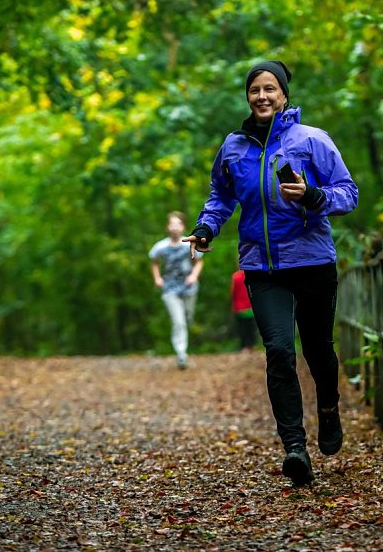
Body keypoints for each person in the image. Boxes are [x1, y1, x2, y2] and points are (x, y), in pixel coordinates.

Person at [184, 60, 358, 485]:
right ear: (248, 97)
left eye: (270, 89)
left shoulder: (312, 140)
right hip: (261, 266)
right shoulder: (233, 147)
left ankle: (329, 408)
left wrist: (313, 194)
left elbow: (347, 194)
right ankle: (294, 446)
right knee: (279, 351)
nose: (262, 96)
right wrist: (206, 227)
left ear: (284, 95)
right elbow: (221, 196)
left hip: (312, 259)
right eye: (255, 90)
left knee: (318, 349)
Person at [149, 211, 204, 369]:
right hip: (170, 289)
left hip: (189, 287)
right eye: (172, 224)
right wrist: (157, 278)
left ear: (183, 227)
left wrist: (194, 275)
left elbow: (199, 262)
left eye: (178, 224)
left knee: (187, 318)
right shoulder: (161, 246)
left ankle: (183, 346)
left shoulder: (188, 243)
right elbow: (154, 261)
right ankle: (181, 354)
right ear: (167, 227)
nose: (174, 227)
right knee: (178, 321)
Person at [231, 267, 257, 352]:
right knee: (251, 328)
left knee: (242, 328)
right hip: (251, 306)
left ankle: (244, 346)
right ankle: (252, 345)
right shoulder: (253, 275)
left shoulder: (235, 276)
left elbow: (233, 291)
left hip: (240, 307)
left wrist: (233, 304)